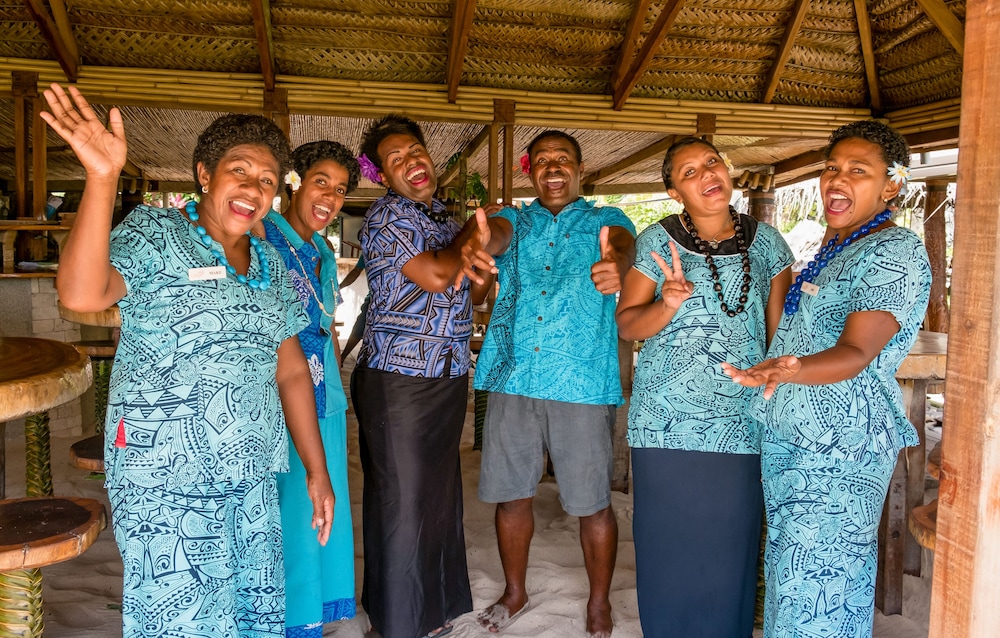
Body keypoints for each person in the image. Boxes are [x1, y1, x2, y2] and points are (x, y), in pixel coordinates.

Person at [43, 84, 334, 637]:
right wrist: (102, 178)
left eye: (268, 180)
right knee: (178, 611)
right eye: (240, 170)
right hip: (163, 467)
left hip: (249, 467)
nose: (254, 188)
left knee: (251, 607)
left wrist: (317, 472)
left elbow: (292, 368)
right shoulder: (155, 233)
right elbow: (82, 294)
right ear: (205, 174)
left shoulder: (271, 263)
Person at [722, 120, 932, 638]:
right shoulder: (837, 247)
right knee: (794, 580)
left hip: (839, 447)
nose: (838, 179)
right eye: (832, 168)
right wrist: (786, 368)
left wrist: (795, 367)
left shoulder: (894, 251)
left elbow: (858, 350)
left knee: (823, 589)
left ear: (892, 185)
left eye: (858, 171)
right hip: (797, 439)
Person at [615, 136, 793, 637]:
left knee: (728, 546)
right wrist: (666, 303)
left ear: (727, 170)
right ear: (675, 192)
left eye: (711, 162)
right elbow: (628, 324)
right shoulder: (657, 241)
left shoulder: (769, 244)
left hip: (740, 420)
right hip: (665, 422)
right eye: (689, 172)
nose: (705, 174)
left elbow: (779, 336)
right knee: (668, 543)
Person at [472, 130, 636, 638]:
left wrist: (618, 266)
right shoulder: (515, 220)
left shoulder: (605, 220)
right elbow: (495, 237)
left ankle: (600, 602)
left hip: (581, 378)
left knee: (591, 501)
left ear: (580, 168)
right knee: (511, 495)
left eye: (562, 158)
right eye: (542, 161)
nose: (553, 168)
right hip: (513, 373)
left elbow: (625, 247)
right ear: (531, 172)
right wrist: (483, 241)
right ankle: (516, 591)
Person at [350, 114, 498, 638]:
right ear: (382, 176)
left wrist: (479, 273)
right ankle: (397, 621)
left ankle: (431, 607)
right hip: (400, 381)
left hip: (448, 373)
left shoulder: (438, 216)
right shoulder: (387, 218)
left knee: (436, 495)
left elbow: (468, 294)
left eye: (415, 151)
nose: (411, 162)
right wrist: (478, 237)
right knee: (403, 500)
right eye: (395, 159)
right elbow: (437, 275)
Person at [257, 141, 360, 636]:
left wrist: (337, 385)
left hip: (325, 395)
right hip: (277, 393)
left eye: (340, 190)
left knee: (320, 502)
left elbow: (328, 323)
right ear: (294, 181)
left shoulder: (321, 249)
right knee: (288, 510)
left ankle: (311, 613)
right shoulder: (261, 236)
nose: (331, 198)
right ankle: (284, 618)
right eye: (322, 182)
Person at [339, 255, 369, 360]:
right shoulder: (368, 250)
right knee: (359, 328)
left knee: (359, 329)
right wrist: (339, 287)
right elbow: (356, 272)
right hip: (375, 298)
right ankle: (342, 358)